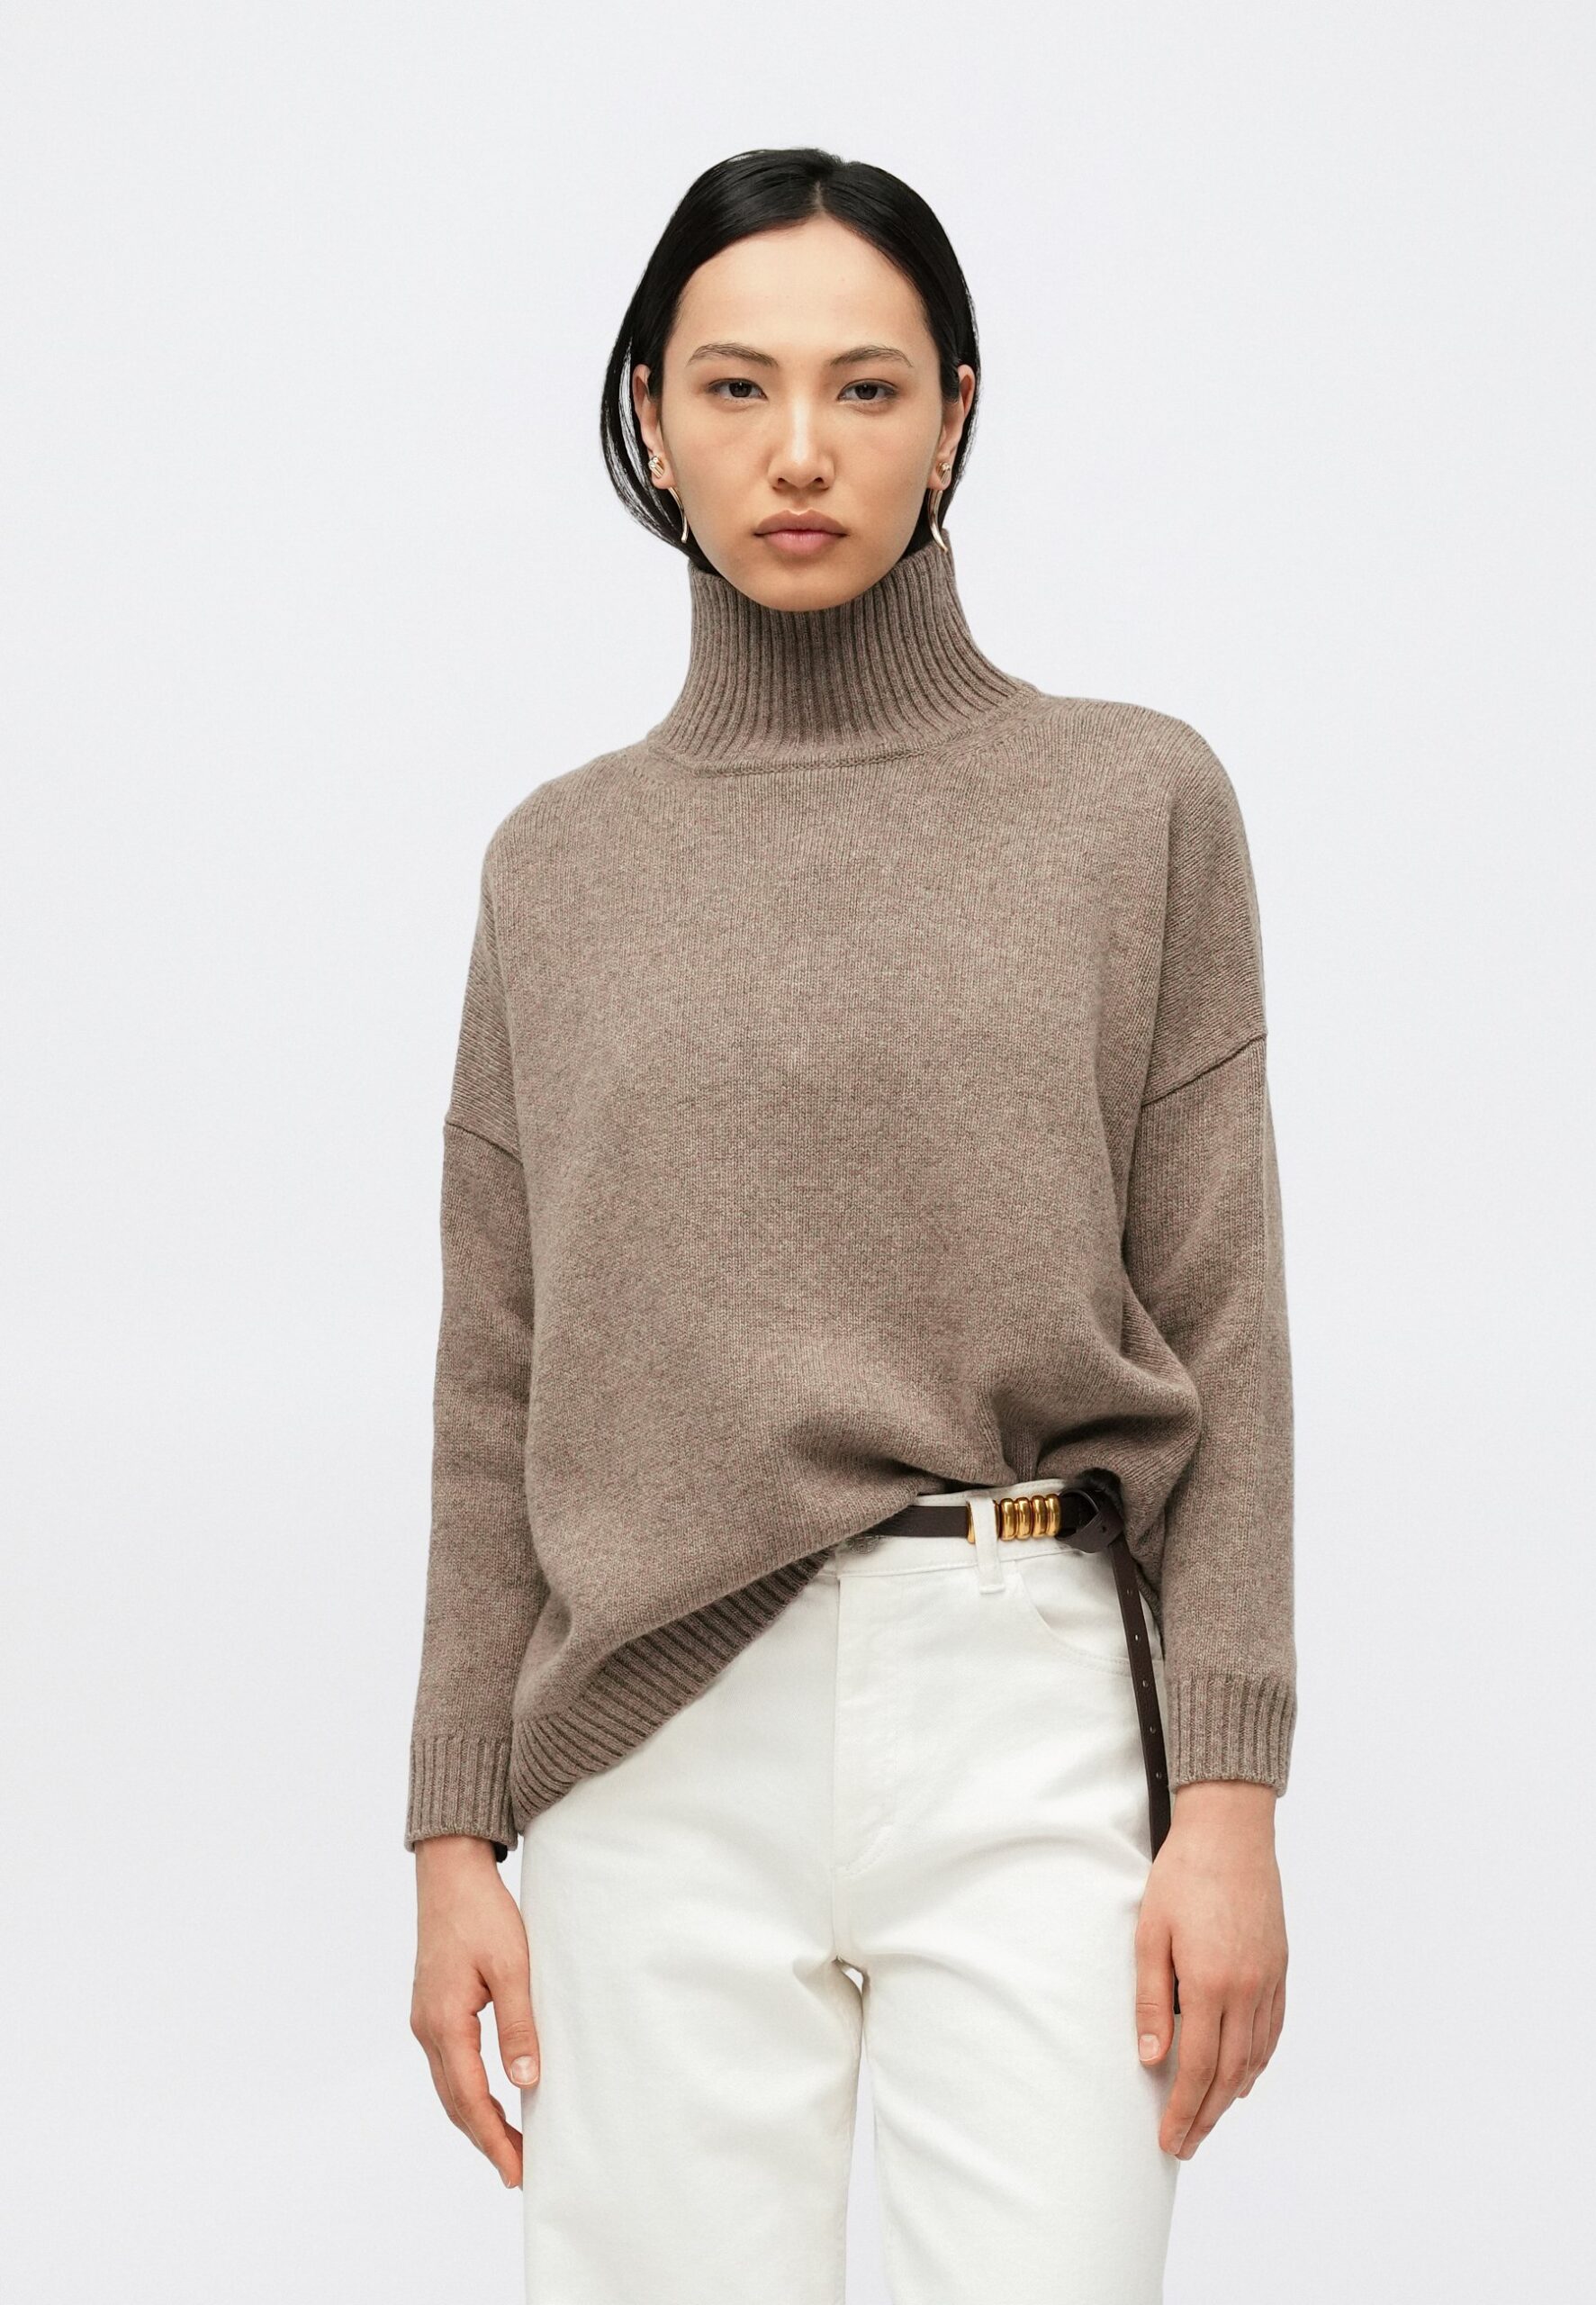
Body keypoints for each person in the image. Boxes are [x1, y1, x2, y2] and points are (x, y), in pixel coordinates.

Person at [405, 146, 1294, 2304]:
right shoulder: (558, 864)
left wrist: (1229, 1796)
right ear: (649, 419)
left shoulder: (1131, 804)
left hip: (1027, 1706)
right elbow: (496, 1367)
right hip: (643, 1742)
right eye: (733, 386)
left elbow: (1221, 1314)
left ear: (953, 414)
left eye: (865, 387)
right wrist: (451, 1829)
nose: (797, 450)